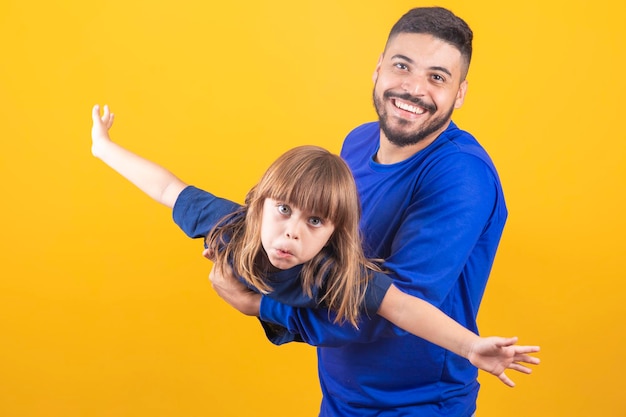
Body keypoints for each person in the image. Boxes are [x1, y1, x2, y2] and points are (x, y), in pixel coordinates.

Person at [208, 6, 524, 416]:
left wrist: (261, 306)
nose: (413, 88)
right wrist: (246, 259)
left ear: (459, 93)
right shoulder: (357, 142)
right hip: (344, 397)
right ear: (378, 68)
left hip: (418, 405)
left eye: (437, 77)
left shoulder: (462, 176)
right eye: (402, 66)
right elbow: (327, 259)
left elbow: (394, 306)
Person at [91, 104, 539, 390]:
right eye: (283, 210)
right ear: (259, 204)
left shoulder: (333, 273)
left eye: (315, 222)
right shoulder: (232, 227)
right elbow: (169, 187)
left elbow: (404, 307)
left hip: (396, 383)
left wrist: (469, 346)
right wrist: (104, 147)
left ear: (334, 233)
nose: (292, 233)